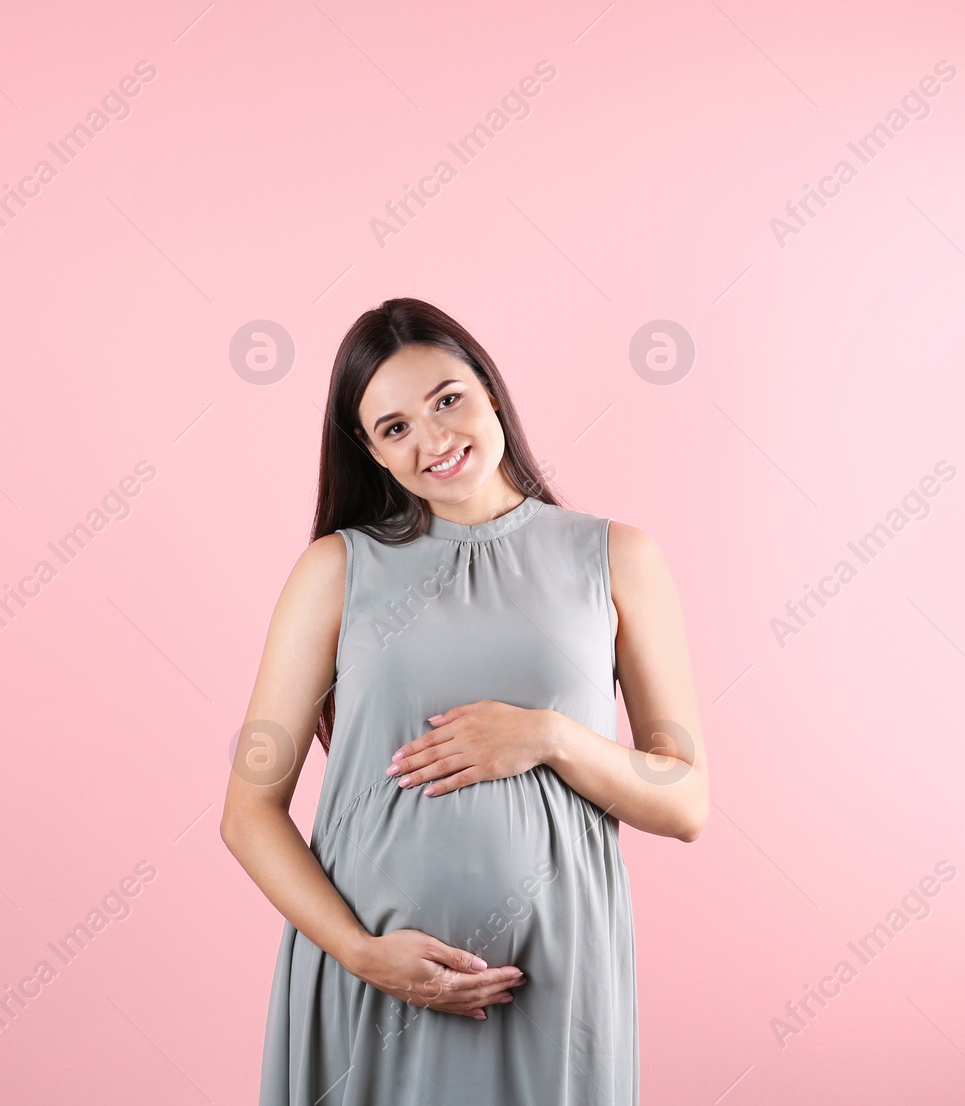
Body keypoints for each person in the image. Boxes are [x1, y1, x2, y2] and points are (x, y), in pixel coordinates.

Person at [221, 297, 708, 1105]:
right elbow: (248, 813)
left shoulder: (616, 558)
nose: (435, 440)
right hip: (369, 985)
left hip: (554, 987)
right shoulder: (333, 572)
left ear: (488, 386)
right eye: (395, 427)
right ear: (369, 451)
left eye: (447, 399)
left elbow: (686, 800)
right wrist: (361, 953)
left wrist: (551, 737)